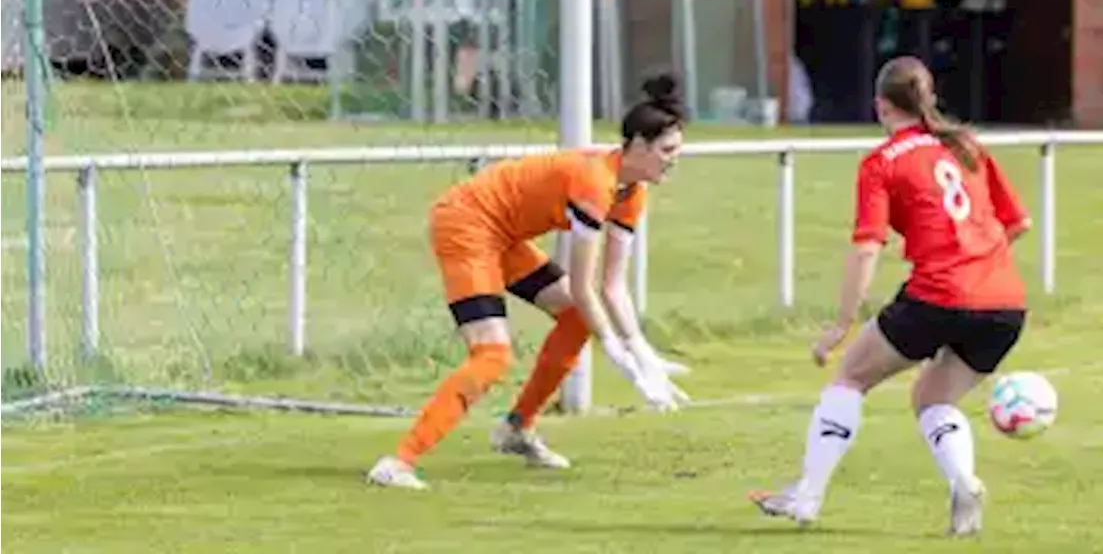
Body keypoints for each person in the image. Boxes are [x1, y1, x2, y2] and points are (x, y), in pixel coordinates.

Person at [748, 56, 1032, 536]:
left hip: (938, 294)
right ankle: (963, 482)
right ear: (928, 99)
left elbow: (866, 248)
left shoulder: (882, 163)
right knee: (932, 397)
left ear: (881, 105)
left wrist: (841, 324)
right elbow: (1017, 223)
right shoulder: (966, 145)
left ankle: (807, 497)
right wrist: (975, 269)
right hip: (1005, 303)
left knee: (850, 377)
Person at [367, 73, 692, 490]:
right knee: (492, 355)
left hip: (503, 234)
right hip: (466, 223)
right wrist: (618, 354)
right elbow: (582, 284)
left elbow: (613, 286)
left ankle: (517, 429)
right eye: (667, 150)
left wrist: (642, 351)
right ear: (639, 145)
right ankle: (397, 463)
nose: (674, 160)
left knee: (576, 319)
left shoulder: (634, 192)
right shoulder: (595, 183)